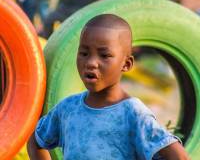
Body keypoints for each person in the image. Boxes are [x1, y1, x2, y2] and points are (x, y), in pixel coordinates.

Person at [27, 14, 189, 160]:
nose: (91, 63)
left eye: (104, 55)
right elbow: (36, 142)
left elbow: (179, 157)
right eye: (84, 53)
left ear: (126, 64)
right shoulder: (68, 108)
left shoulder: (133, 114)